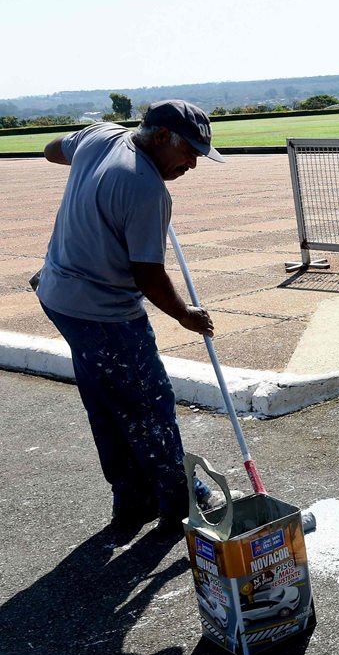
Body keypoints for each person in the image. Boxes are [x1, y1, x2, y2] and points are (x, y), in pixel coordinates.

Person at [37, 99, 224, 536]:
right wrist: (185, 315)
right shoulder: (148, 190)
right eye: (189, 153)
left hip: (60, 298)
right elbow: (147, 275)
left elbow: (51, 150)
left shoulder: (102, 135)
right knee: (148, 404)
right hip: (104, 313)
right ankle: (180, 497)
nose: (192, 164)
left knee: (104, 399)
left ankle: (131, 498)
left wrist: (91, 174)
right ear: (161, 138)